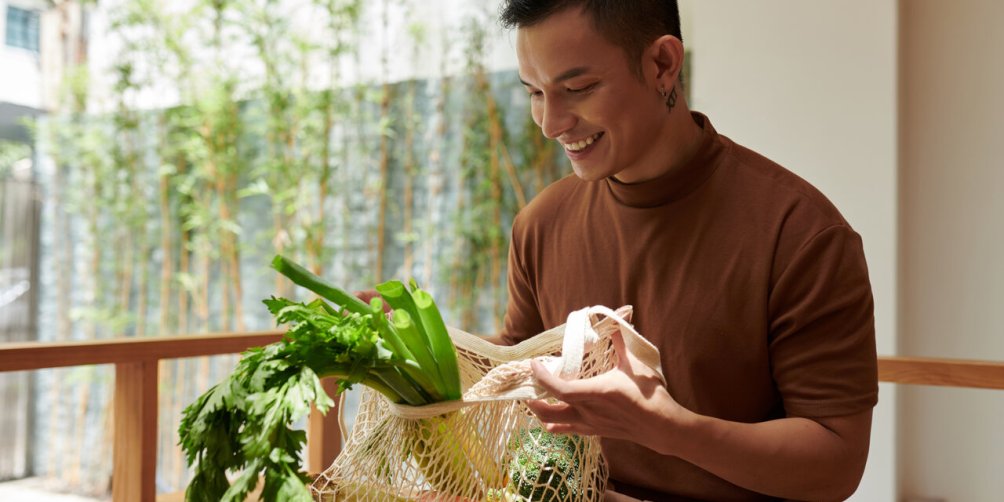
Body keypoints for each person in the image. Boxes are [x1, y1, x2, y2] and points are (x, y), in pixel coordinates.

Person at [491, 1, 879, 500]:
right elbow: (516, 380)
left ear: (662, 65)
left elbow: (836, 465)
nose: (550, 123)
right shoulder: (540, 225)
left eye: (578, 89)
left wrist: (669, 429)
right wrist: (417, 352)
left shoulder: (800, 234)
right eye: (535, 93)